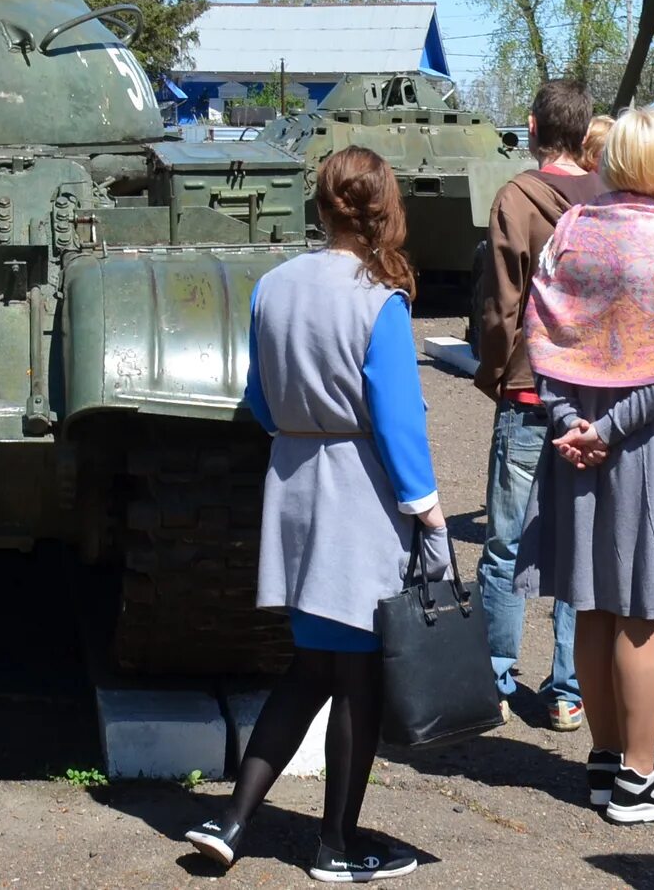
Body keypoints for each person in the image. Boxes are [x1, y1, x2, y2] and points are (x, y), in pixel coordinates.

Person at [188, 145, 442, 882]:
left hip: (294, 484)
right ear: (383, 206)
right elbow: (399, 424)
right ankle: (336, 843)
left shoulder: (274, 285)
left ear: (322, 203)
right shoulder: (379, 299)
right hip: (357, 496)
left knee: (309, 668)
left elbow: (259, 399)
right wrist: (427, 513)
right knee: (355, 676)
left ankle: (231, 819)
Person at [517, 107, 654, 826]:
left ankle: (605, 759)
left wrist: (567, 420)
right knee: (642, 605)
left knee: (594, 599)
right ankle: (640, 774)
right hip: (646, 445)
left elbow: (540, 334)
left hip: (573, 439)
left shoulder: (571, 231)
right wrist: (608, 428)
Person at [470, 81, 601, 730]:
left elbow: (500, 303)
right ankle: (569, 690)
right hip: (593, 399)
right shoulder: (611, 200)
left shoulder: (515, 198)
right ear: (585, 133)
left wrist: (495, 371)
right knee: (576, 548)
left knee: (505, 542)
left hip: (527, 388)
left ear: (531, 126)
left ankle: (494, 676)